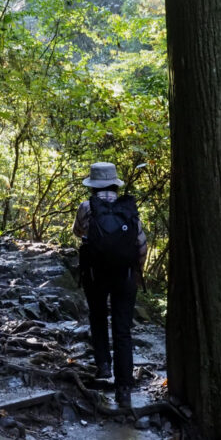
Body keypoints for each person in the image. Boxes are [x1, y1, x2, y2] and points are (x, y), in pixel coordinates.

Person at [73, 161, 147, 408]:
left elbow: (77, 232)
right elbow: (141, 244)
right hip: (125, 276)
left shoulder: (86, 207)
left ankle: (103, 365)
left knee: (97, 316)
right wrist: (136, 272)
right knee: (123, 330)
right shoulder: (128, 208)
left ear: (92, 186)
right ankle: (124, 390)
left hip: (96, 274)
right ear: (115, 184)